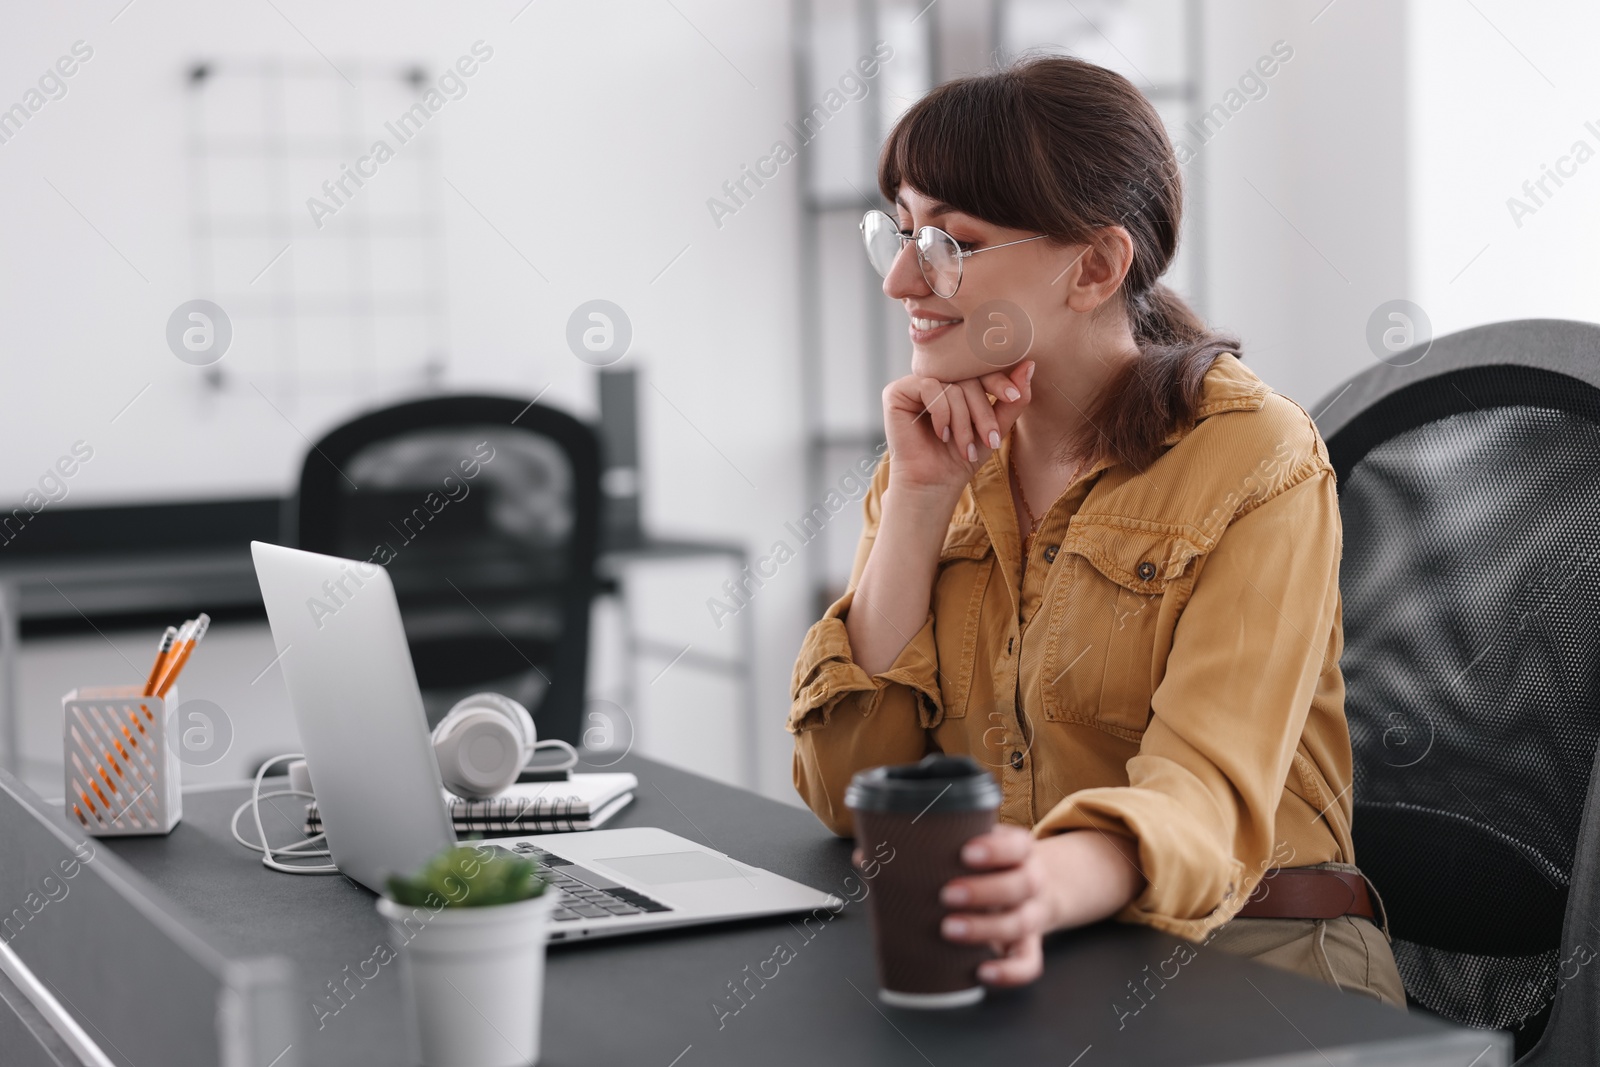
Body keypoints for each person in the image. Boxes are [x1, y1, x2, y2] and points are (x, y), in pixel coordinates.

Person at [787, 54, 1405, 1006]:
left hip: (1262, 970)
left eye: (950, 241)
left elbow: (1204, 791)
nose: (901, 280)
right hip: (1044, 958)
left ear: (1097, 266)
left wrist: (1040, 883)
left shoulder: (1257, 461)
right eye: (901, 232)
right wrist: (916, 499)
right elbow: (848, 790)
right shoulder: (933, 454)